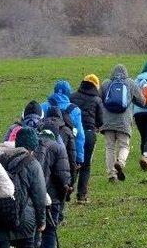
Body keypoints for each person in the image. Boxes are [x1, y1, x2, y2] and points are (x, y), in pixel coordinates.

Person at [34, 128, 71, 248]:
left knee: (33, 235)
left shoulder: (33, 147)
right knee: (49, 232)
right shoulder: (58, 147)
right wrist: (66, 192)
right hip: (53, 197)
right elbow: (63, 175)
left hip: (34, 198)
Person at [100, 64, 144, 182]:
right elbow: (142, 101)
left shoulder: (105, 83)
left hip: (108, 122)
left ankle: (111, 175)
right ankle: (120, 163)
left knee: (110, 147)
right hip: (124, 121)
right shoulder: (130, 83)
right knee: (124, 145)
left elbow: (99, 101)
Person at [70, 74, 104, 203]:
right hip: (89, 134)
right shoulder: (97, 99)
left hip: (74, 133)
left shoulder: (72, 96)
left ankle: (67, 190)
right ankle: (82, 196)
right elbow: (100, 121)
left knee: (72, 162)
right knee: (86, 165)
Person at [40, 81, 85, 169]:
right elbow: (80, 135)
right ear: (68, 93)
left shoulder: (43, 106)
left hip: (45, 149)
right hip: (68, 149)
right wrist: (79, 157)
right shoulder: (75, 110)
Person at [40, 105, 77, 184]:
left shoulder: (41, 128)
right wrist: (71, 182)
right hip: (63, 166)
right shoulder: (67, 130)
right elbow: (72, 156)